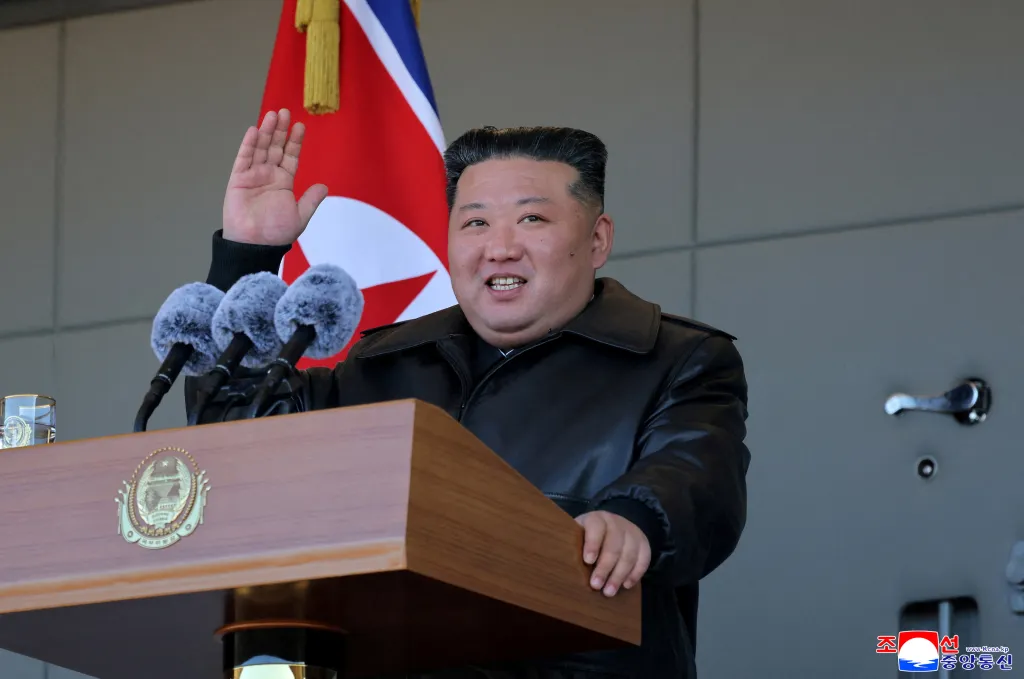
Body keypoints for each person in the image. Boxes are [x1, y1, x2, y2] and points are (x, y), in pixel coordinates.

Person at [190, 108, 751, 679]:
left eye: (531, 218)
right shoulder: (380, 366)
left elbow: (696, 474)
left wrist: (636, 518)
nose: (499, 248)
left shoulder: (675, 358)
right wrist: (248, 256)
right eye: (476, 222)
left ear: (597, 239)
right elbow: (237, 442)